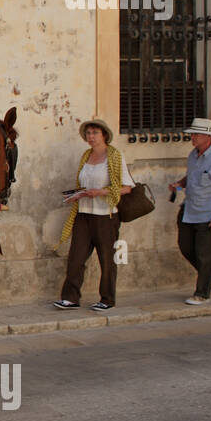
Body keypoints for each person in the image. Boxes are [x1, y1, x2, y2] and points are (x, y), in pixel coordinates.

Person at [52, 118, 135, 312]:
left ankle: (107, 299)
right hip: (83, 214)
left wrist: (100, 192)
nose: (91, 137)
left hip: (105, 216)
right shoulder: (86, 156)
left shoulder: (114, 156)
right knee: (76, 258)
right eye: (88, 133)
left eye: (95, 133)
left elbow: (126, 188)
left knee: (107, 259)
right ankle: (70, 298)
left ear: (104, 135)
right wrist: (77, 194)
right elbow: (84, 183)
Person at [168, 118, 211, 305]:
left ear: (208, 136)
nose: (192, 137)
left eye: (196, 134)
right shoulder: (193, 155)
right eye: (192, 134)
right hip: (190, 210)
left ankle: (202, 293)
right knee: (186, 247)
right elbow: (192, 176)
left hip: (209, 214)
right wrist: (179, 184)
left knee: (205, 254)